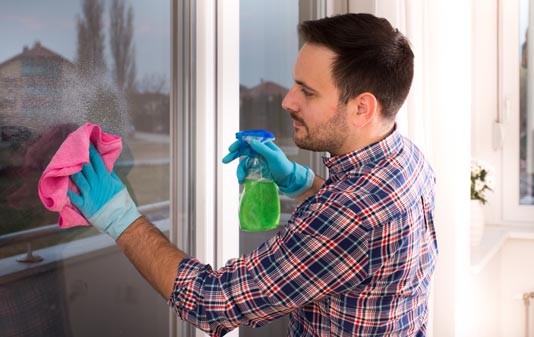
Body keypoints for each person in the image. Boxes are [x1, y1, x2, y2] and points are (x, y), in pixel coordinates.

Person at [67, 13, 437, 336]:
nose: (287, 100)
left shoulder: (349, 213)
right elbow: (365, 229)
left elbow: (213, 301)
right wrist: (303, 183)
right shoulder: (408, 160)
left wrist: (121, 218)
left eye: (307, 92)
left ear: (362, 108)